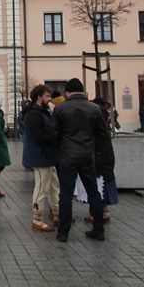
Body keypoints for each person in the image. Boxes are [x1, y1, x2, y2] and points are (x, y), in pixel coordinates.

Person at [51, 78, 110, 243]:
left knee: (66, 194)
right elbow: (103, 135)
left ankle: (63, 232)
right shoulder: (94, 109)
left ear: (68, 92)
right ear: (82, 91)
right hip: (87, 156)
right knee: (93, 193)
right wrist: (93, 149)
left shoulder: (60, 108)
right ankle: (99, 229)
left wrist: (60, 149)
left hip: (67, 157)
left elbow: (54, 134)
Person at [21, 85, 58, 232]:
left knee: (54, 185)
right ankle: (37, 219)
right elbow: (38, 136)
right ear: (39, 97)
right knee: (42, 187)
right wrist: (55, 138)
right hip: (40, 155)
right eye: (47, 96)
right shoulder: (34, 113)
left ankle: (57, 213)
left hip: (47, 154)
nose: (50, 99)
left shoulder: (41, 111)